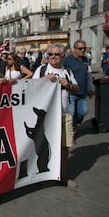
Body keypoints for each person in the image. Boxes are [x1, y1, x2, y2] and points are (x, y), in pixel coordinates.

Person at [32, 43, 79, 188]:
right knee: (43, 147)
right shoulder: (41, 70)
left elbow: (77, 89)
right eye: (50, 54)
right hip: (47, 118)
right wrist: (43, 80)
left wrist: (68, 84)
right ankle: (41, 176)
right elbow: (30, 88)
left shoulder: (68, 72)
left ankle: (62, 176)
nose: (52, 57)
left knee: (64, 147)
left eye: (56, 54)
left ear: (63, 56)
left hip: (64, 115)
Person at [63, 39, 95, 133]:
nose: (83, 50)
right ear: (74, 49)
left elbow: (88, 75)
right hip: (71, 92)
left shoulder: (85, 60)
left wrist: (90, 88)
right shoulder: (67, 60)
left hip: (83, 91)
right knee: (71, 113)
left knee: (83, 112)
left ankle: (74, 123)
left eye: (84, 48)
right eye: (80, 48)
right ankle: (70, 130)